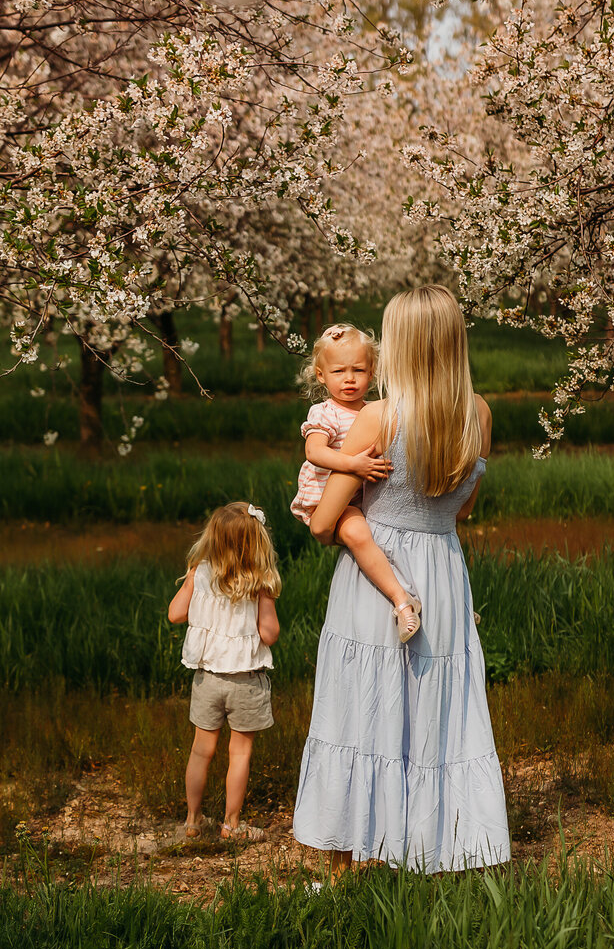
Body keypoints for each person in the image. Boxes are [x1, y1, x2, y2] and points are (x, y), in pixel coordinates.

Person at [292, 286, 510, 875]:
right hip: (442, 570)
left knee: (361, 709)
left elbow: (321, 523)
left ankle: (348, 863)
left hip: (376, 578)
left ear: (403, 346)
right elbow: (463, 511)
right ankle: (435, 849)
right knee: (439, 711)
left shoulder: (377, 419)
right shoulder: (479, 414)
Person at [291, 322, 422, 642]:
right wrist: (353, 464)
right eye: (338, 371)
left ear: (372, 371)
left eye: (358, 370)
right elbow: (315, 451)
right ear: (321, 375)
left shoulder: (375, 411)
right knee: (358, 534)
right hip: (333, 501)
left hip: (366, 496)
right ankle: (401, 601)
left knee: (394, 535)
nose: (349, 379)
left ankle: (441, 604)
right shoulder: (326, 413)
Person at [167, 500, 280, 843]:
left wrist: (191, 585)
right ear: (257, 542)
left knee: (201, 750)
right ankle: (231, 825)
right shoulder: (261, 582)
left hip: (208, 680)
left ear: (212, 538)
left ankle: (192, 821)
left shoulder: (198, 571)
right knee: (240, 752)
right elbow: (269, 634)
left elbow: (175, 614)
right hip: (245, 680)